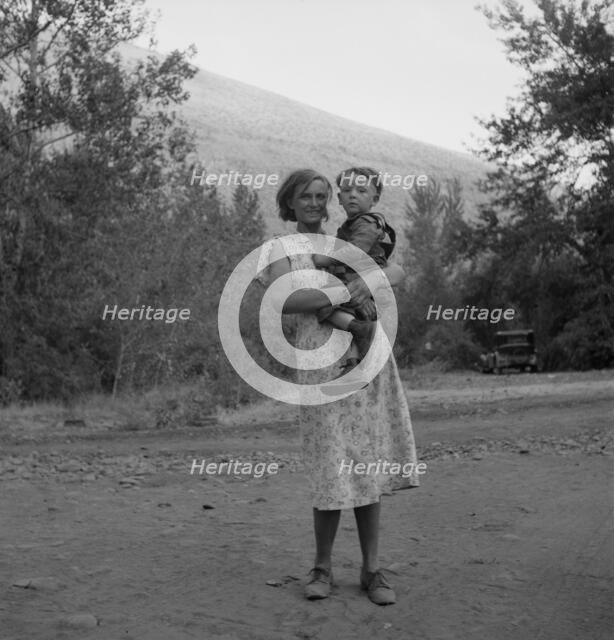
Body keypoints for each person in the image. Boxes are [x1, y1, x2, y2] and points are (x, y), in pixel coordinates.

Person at [256, 169, 419, 606]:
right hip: (318, 361)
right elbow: (283, 299)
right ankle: (322, 568)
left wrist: (360, 283)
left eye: (321, 196)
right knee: (330, 461)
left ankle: (371, 570)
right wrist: (343, 291)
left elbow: (398, 271)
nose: (314, 203)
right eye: (305, 196)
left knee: (365, 460)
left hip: (367, 356)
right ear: (289, 203)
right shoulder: (280, 248)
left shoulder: (346, 240)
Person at [312, 166, 396, 375]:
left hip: (360, 282)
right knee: (353, 322)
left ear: (374, 199)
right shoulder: (351, 225)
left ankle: (358, 332)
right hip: (358, 283)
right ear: (339, 198)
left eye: (361, 191)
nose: (353, 196)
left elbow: (354, 252)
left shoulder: (367, 223)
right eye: (348, 191)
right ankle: (354, 362)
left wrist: (322, 258)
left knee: (324, 306)